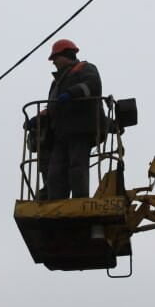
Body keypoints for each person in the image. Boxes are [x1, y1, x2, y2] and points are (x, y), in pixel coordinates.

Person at [38, 38, 102, 199]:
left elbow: (93, 85)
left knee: (77, 167)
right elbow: (54, 105)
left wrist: (71, 93)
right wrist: (40, 116)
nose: (53, 63)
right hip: (60, 132)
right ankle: (56, 203)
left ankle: (80, 201)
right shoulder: (57, 82)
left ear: (66, 55)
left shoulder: (85, 68)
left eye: (55, 58)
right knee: (55, 172)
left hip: (80, 129)